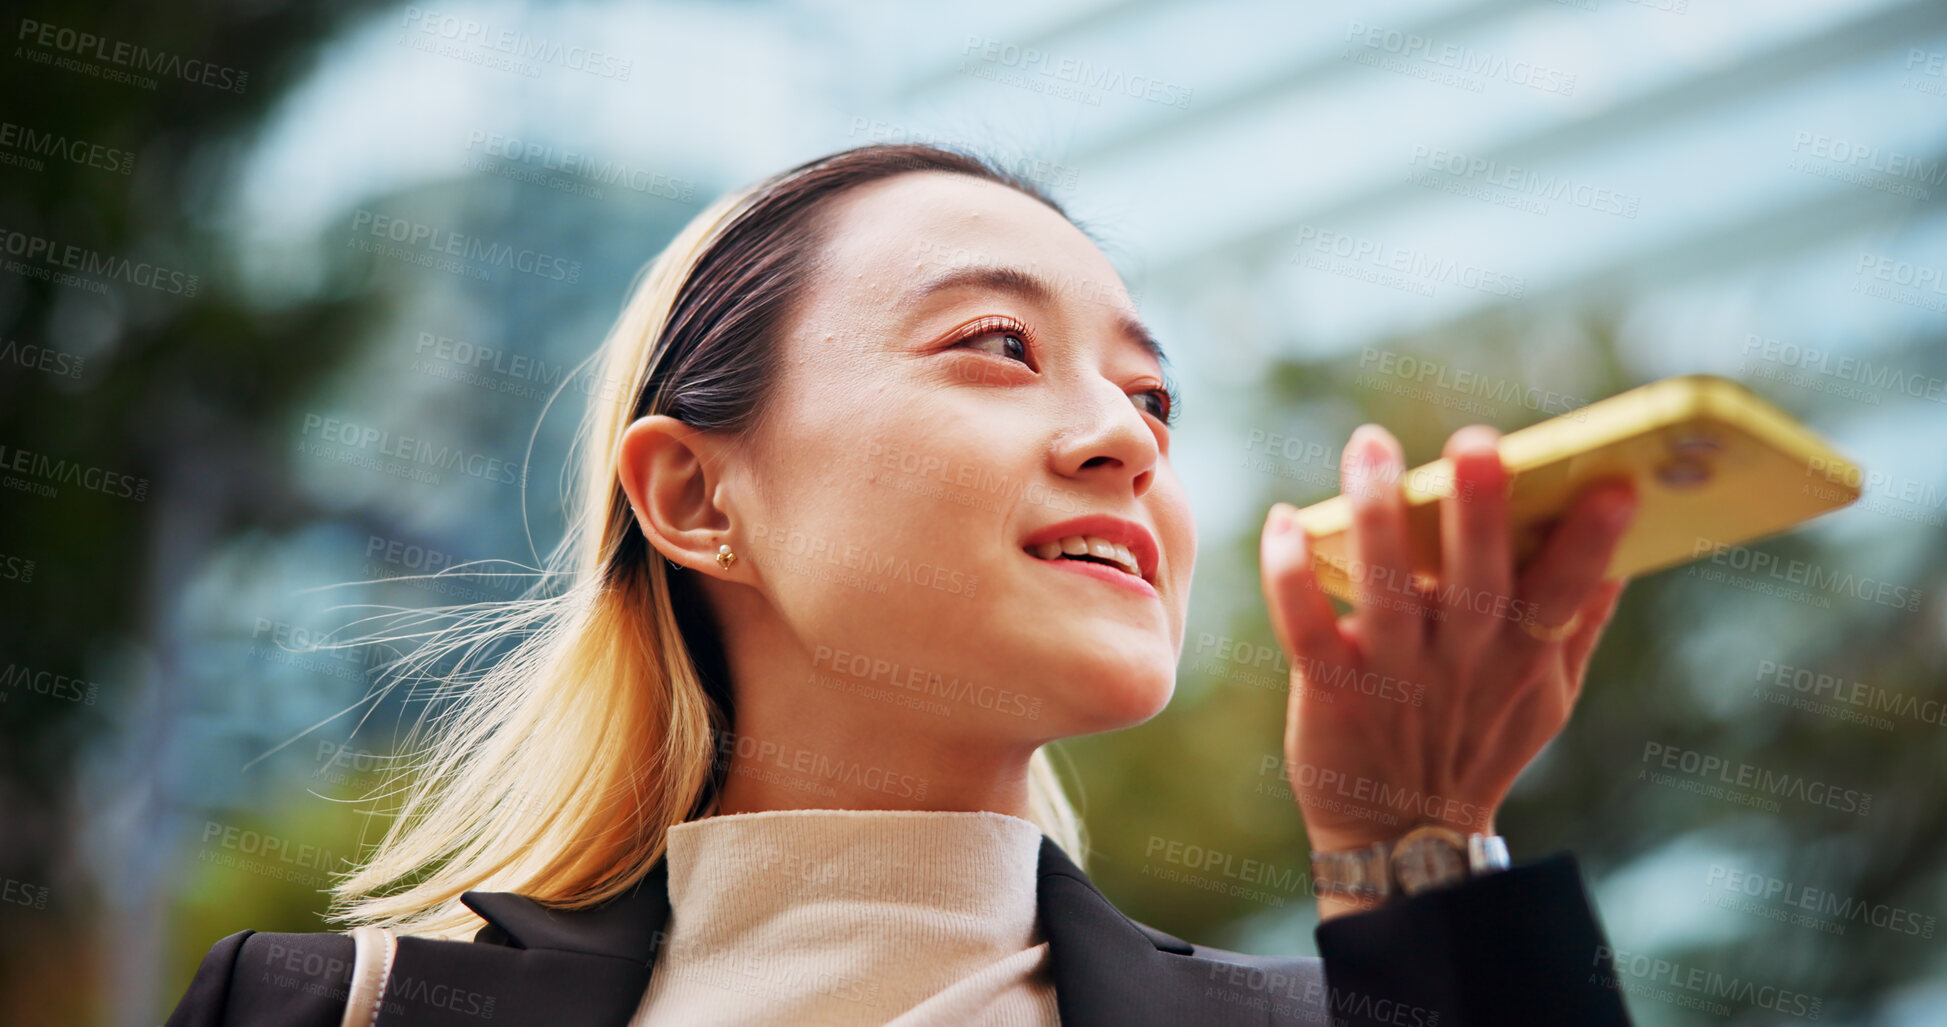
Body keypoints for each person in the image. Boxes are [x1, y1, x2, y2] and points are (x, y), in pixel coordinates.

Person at [164, 142, 1640, 1026]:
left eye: (1157, 400)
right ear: (695, 495)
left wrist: (1415, 855)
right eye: (996, 344)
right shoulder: (326, 1016)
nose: (1126, 435)